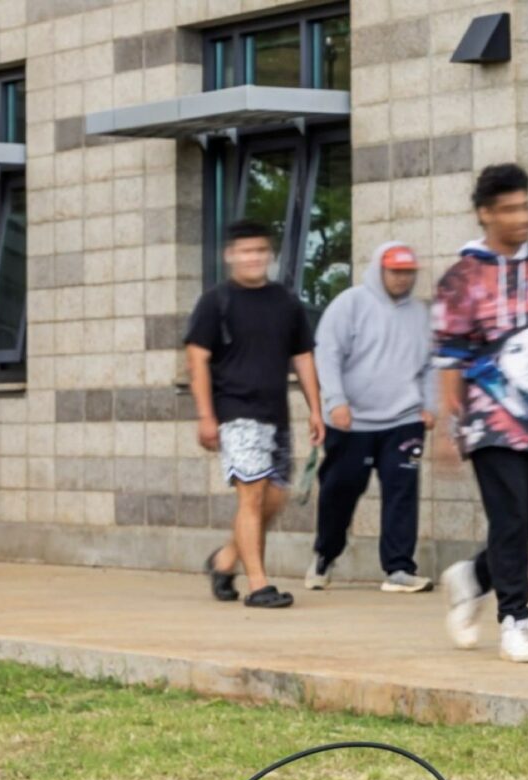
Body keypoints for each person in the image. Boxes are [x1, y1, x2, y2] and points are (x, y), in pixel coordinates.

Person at [434, 164, 528, 664]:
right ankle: (516, 621)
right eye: (511, 208)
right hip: (488, 421)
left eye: (525, 206)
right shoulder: (461, 279)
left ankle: (472, 577)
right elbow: (449, 359)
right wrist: (451, 427)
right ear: (486, 214)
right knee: (510, 516)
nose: (522, 217)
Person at [186, 218, 325, 610]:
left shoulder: (285, 301)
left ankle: (225, 560)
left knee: (275, 499)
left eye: (261, 251)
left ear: (270, 255)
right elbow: (196, 358)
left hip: (275, 415)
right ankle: (258, 585)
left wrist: (316, 408)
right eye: (246, 251)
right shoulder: (216, 302)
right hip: (235, 412)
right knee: (252, 495)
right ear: (231, 255)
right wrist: (205, 415)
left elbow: (303, 356)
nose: (253, 258)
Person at [307, 242, 435, 594]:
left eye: (408, 271)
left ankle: (399, 568)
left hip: (404, 420)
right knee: (341, 490)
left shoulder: (420, 315)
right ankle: (325, 554)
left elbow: (430, 366)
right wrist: (336, 401)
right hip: (352, 422)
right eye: (395, 271)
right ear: (380, 269)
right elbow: (327, 354)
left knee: (402, 490)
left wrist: (429, 405)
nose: (402, 278)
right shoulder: (351, 304)